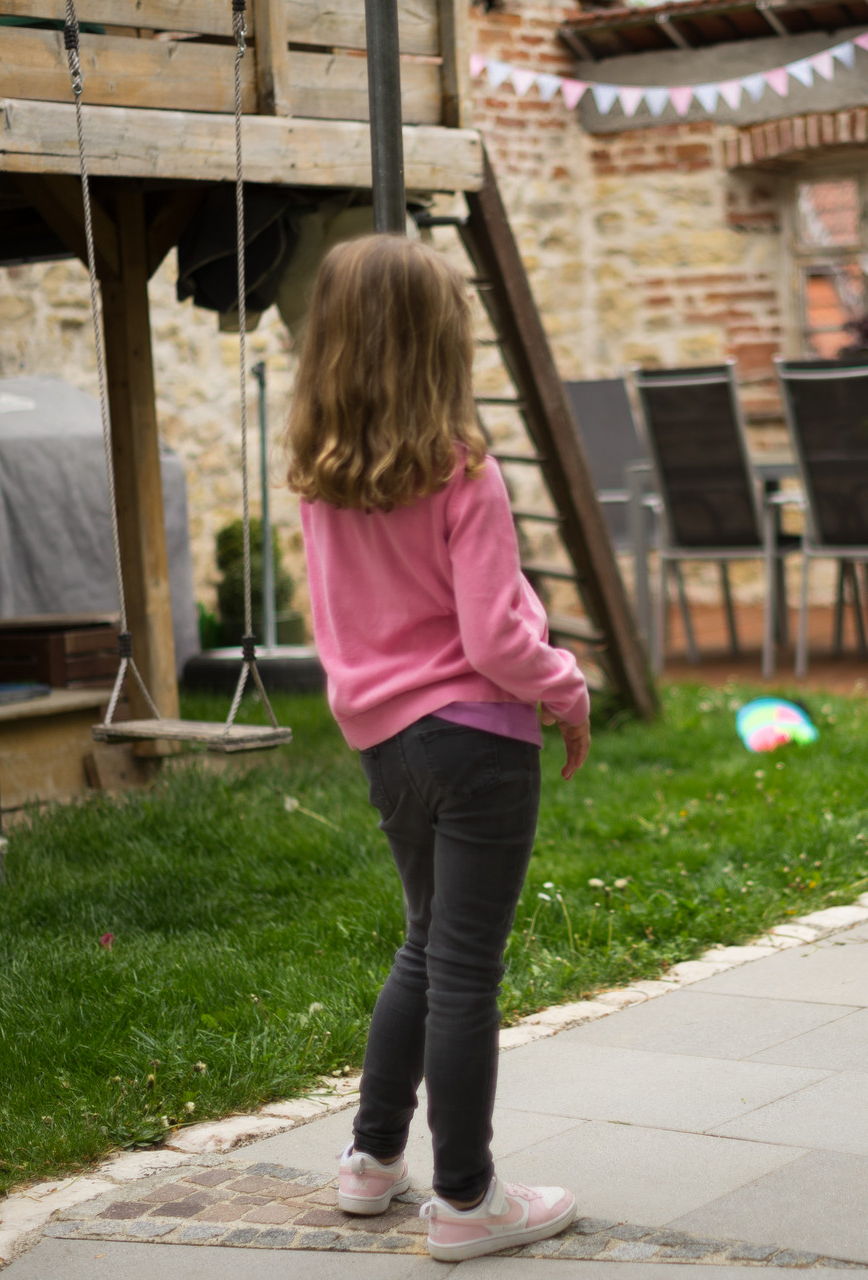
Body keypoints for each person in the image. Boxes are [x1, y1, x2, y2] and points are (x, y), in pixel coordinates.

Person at [287, 234, 590, 1260]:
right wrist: (568, 686)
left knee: (425, 943)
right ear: (441, 341)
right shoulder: (464, 469)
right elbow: (496, 638)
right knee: (464, 964)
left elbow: (335, 622)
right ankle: (467, 1198)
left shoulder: (318, 478)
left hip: (384, 741)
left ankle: (371, 1163)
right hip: (476, 740)